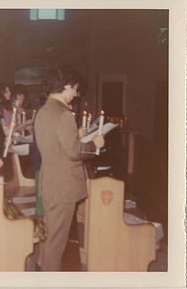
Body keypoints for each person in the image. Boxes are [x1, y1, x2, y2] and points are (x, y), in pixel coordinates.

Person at [34, 65, 105, 271]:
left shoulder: (43, 111)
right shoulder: (64, 115)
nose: (76, 94)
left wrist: (78, 137)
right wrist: (93, 146)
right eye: (75, 89)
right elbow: (74, 152)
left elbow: (54, 146)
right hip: (63, 187)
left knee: (49, 239)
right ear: (65, 87)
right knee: (56, 245)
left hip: (50, 184)